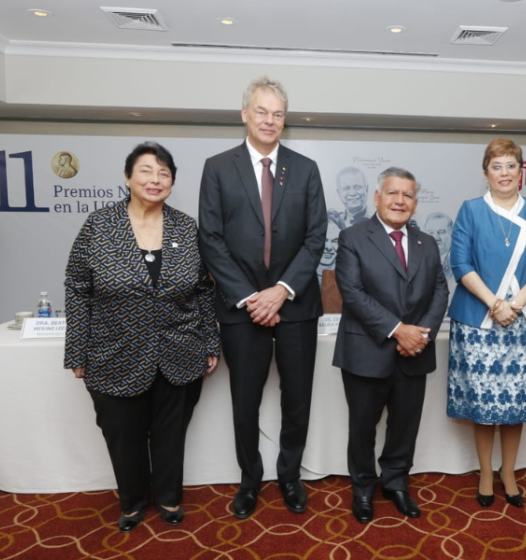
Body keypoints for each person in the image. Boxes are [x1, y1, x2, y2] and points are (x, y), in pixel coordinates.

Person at [64, 142, 220, 533]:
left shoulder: (186, 227)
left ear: (172, 182)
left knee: (171, 434)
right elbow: (77, 288)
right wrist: (76, 350)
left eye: (164, 173)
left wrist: (210, 344)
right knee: (124, 435)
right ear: (128, 177)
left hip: (180, 351)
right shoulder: (99, 226)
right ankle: (132, 502)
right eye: (147, 171)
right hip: (113, 354)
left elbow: (203, 289)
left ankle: (168, 497)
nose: (156, 179)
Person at [198, 76, 327, 519]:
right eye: (261, 111)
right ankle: (250, 480)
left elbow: (316, 238)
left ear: (284, 120)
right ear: (244, 114)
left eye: (277, 114)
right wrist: (252, 297)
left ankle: (289, 477)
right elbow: (210, 239)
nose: (269, 120)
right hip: (241, 309)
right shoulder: (218, 167)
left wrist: (280, 291)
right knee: (244, 400)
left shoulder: (306, 168)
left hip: (296, 306)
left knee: (297, 399)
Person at [333, 167, 449, 523]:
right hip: (368, 351)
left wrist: (420, 333)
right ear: (377, 197)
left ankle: (396, 483)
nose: (400, 200)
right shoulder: (353, 237)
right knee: (363, 427)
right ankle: (364, 488)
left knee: (404, 425)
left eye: (408, 195)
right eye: (393, 193)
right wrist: (400, 330)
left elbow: (440, 290)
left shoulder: (426, 242)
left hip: (414, 353)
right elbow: (351, 292)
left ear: (415, 204)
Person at [446, 139, 526, 509]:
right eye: (497, 166)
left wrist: (515, 304)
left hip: (524, 320)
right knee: (484, 403)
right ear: (485, 172)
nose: (505, 173)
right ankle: (485, 472)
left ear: (521, 172)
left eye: (511, 166)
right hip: (480, 320)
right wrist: (495, 304)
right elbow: (461, 265)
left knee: (517, 403)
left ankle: (508, 471)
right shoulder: (471, 210)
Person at [423, 212, 455, 294]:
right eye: (431, 233)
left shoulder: (461, 261)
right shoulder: (418, 261)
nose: (436, 238)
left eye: (441, 232)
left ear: (452, 234)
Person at [317, 213, 344, 286]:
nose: (328, 247)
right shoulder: (299, 276)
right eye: (324, 240)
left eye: (335, 241)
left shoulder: (346, 277)